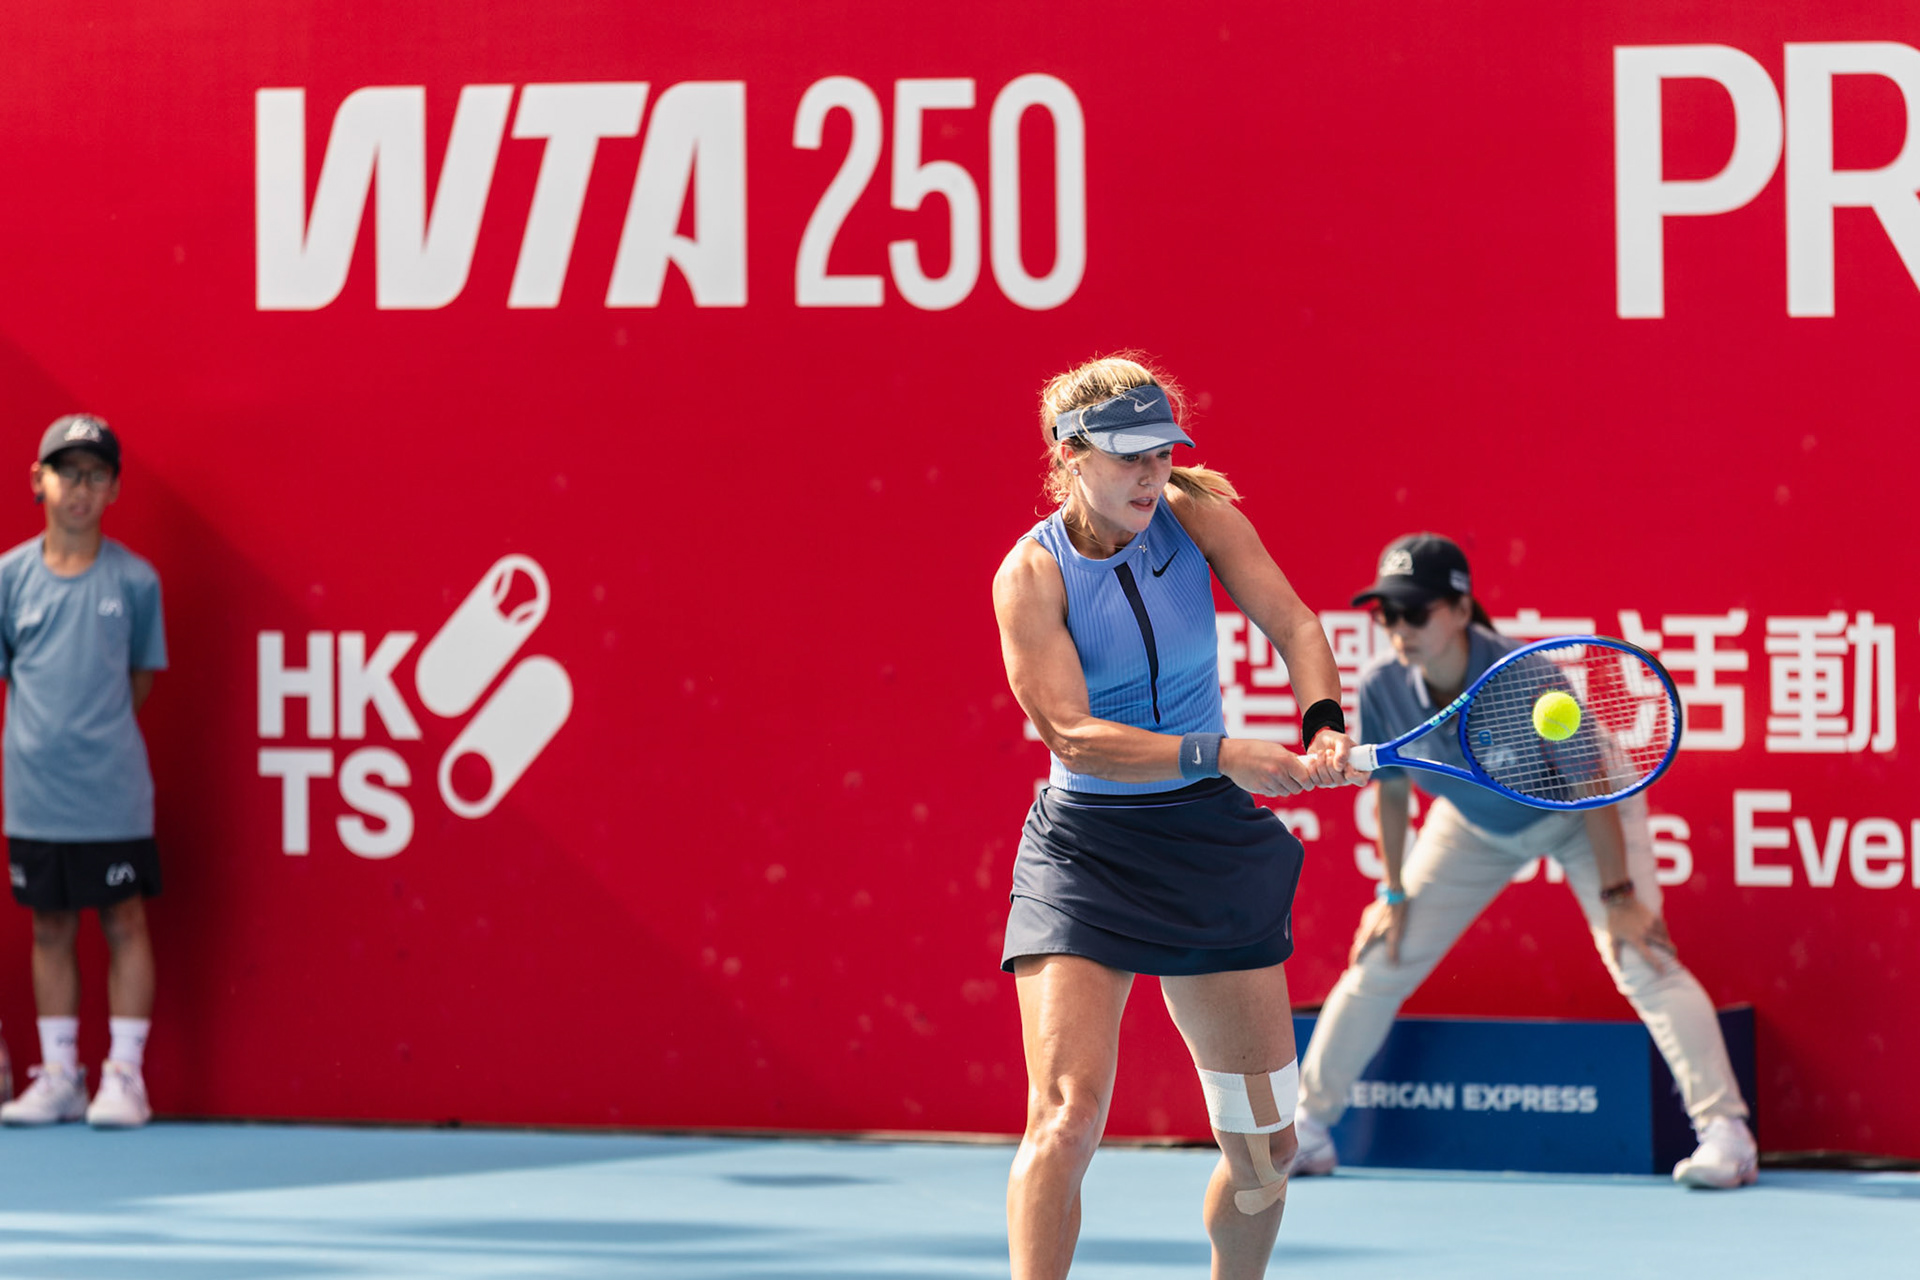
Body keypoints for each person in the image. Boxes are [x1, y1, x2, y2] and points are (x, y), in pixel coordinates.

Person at [992, 355, 1365, 1280]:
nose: (1152, 476)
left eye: (1162, 454)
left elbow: (1295, 625)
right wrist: (1229, 754)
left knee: (1264, 1154)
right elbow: (1074, 737)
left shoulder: (1196, 515)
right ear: (1070, 455)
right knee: (1067, 1115)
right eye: (1128, 458)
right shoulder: (1030, 577)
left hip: (1207, 843)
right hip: (1087, 850)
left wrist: (1321, 723)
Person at [1291, 533, 1757, 1188]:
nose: (1399, 629)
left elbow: (1594, 787)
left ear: (1459, 608)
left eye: (1415, 611)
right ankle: (1308, 1131)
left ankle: (1727, 1134)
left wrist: (1620, 895)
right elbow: (1393, 791)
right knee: (1379, 957)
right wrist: (1392, 894)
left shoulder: (1527, 676)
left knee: (1641, 956)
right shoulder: (1381, 689)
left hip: (1581, 813)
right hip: (1474, 821)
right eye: (1387, 614)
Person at [0, 414, 167, 1129]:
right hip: (34, 795)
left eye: (96, 475)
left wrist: (93, 737)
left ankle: (124, 1077)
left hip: (112, 794)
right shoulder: (8, 578)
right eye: (67, 472)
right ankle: (61, 1075)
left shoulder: (135, 581)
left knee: (124, 921)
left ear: (114, 489)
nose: (81, 487)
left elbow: (137, 681)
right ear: (38, 481)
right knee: (50, 926)